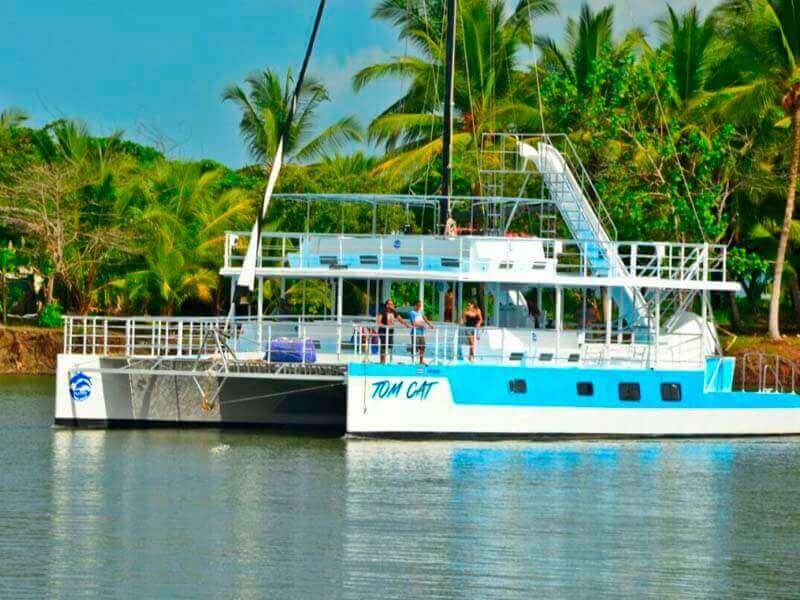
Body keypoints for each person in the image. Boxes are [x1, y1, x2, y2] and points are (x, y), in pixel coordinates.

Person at [376, 299, 409, 364]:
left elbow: (400, 319)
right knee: (384, 346)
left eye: (392, 304)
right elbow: (378, 322)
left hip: (390, 331)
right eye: (391, 304)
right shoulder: (382, 311)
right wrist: (385, 326)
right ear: (387, 305)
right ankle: (382, 362)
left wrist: (406, 324)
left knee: (390, 345)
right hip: (383, 331)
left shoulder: (394, 312)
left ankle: (389, 361)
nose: (392, 305)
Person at [409, 300, 434, 365]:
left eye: (420, 306)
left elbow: (425, 319)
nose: (419, 307)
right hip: (415, 333)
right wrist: (422, 325)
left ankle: (421, 361)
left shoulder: (420, 313)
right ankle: (413, 361)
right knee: (415, 347)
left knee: (422, 347)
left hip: (421, 333)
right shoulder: (412, 313)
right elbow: (413, 323)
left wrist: (430, 325)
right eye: (418, 306)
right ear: (415, 305)